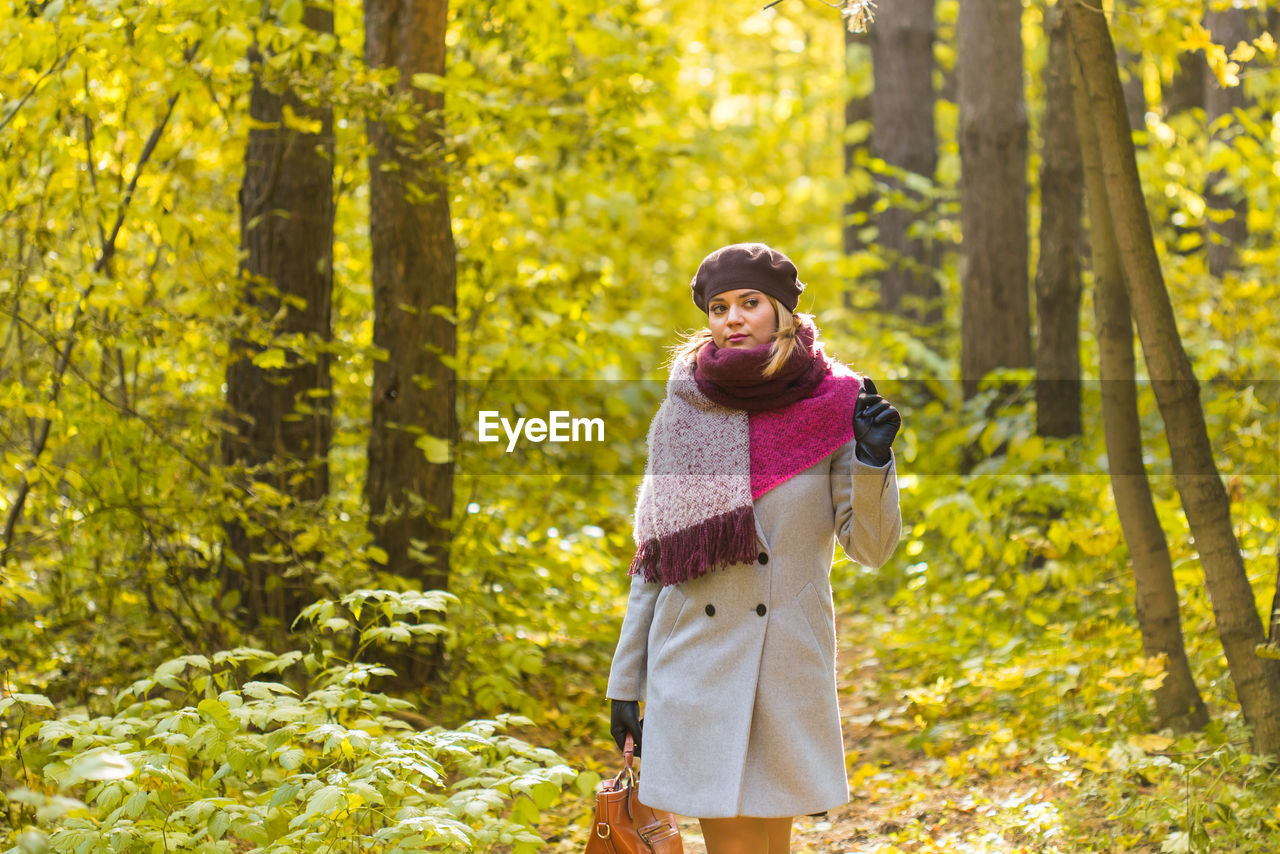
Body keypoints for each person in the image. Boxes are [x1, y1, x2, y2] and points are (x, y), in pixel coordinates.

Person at [604, 243, 902, 853]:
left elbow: (869, 549)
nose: (732, 318)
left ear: (784, 311)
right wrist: (624, 680)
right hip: (695, 659)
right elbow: (655, 560)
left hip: (786, 658)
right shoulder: (683, 410)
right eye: (718, 307)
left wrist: (872, 459)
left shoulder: (839, 404)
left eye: (750, 302)